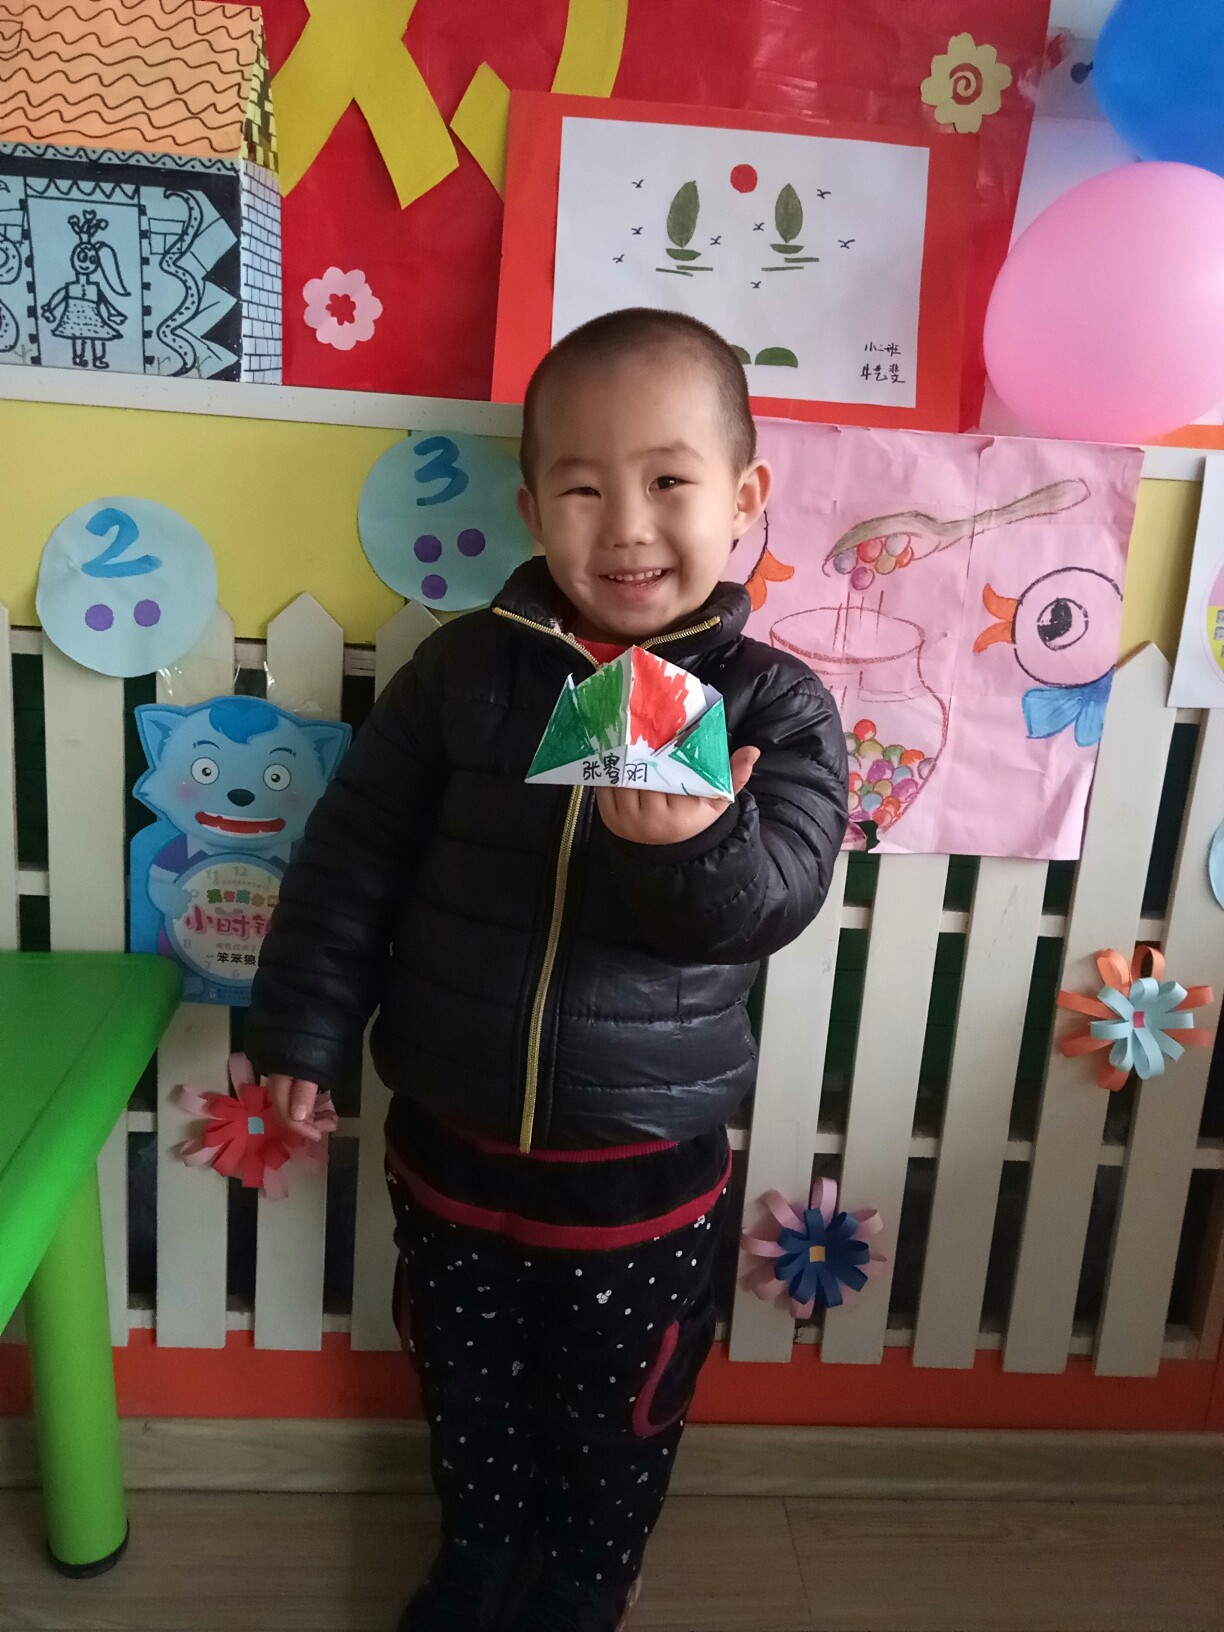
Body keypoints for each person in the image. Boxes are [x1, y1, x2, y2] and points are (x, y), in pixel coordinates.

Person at [245, 307, 848, 1632]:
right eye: (582, 488)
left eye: (670, 481)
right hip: (448, 1134)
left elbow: (771, 903)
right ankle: (478, 1553)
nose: (627, 527)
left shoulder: (776, 705)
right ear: (530, 508)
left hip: (643, 1159)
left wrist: (691, 849)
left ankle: (587, 1575)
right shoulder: (463, 674)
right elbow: (351, 861)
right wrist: (300, 1034)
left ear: (745, 498)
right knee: (464, 1383)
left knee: (621, 1400)